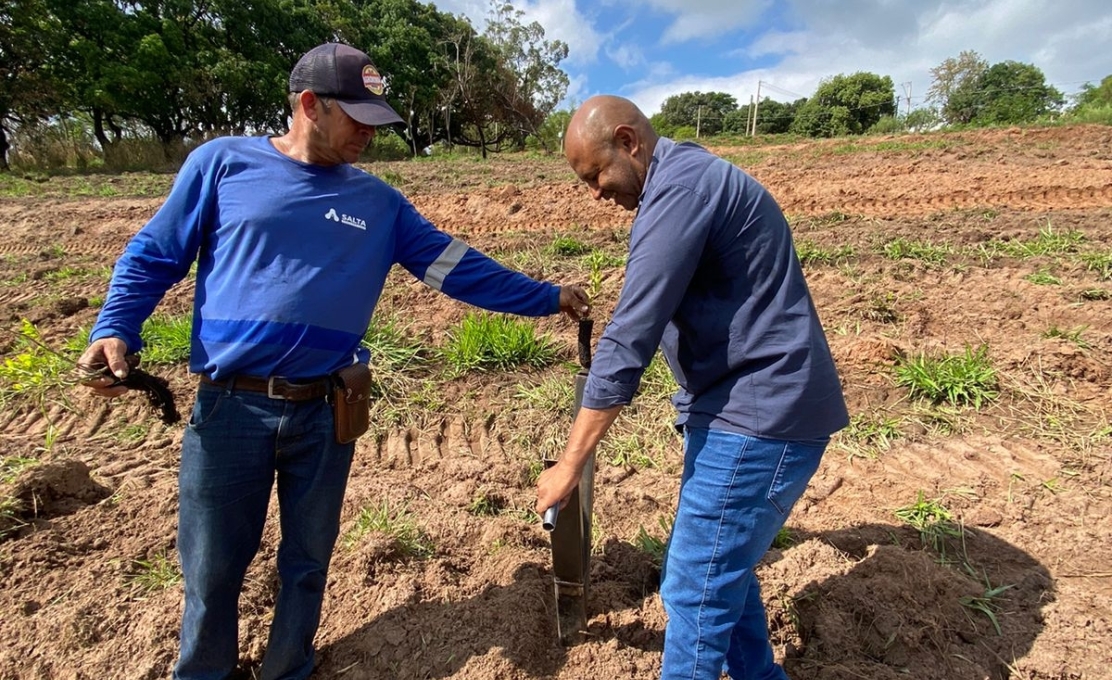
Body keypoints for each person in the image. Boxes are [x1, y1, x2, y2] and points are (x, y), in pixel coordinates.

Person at [78, 42, 590, 680]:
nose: (368, 136)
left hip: (326, 410)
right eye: (357, 119)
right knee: (211, 568)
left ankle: (288, 667)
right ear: (308, 105)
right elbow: (154, 253)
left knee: (308, 560)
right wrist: (115, 326)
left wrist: (547, 296)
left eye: (377, 121)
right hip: (230, 406)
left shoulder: (379, 204)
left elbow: (458, 271)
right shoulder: (222, 164)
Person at [535, 95, 848, 680]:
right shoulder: (686, 177)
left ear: (629, 142)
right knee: (718, 568)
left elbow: (630, 336)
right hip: (737, 406)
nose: (597, 194)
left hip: (761, 413)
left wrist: (570, 463)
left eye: (597, 175)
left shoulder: (681, 191)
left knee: (693, 585)